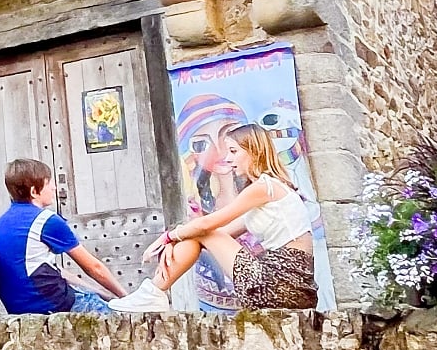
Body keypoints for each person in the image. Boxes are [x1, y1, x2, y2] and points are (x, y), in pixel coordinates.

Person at [113, 123, 318, 312]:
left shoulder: (265, 186)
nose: (227, 159)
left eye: (234, 151)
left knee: (204, 231)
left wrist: (167, 237)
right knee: (200, 235)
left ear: (254, 151)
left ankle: (154, 293)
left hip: (281, 286)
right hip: (291, 288)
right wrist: (178, 239)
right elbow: (210, 234)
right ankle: (154, 293)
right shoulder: (267, 194)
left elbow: (208, 224)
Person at [0, 158, 128, 314]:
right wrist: (126, 298)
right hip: (51, 304)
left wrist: (103, 293)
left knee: (99, 298)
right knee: (121, 319)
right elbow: (94, 268)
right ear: (34, 191)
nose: (54, 188)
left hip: (19, 309)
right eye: (49, 183)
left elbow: (49, 270)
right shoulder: (46, 221)